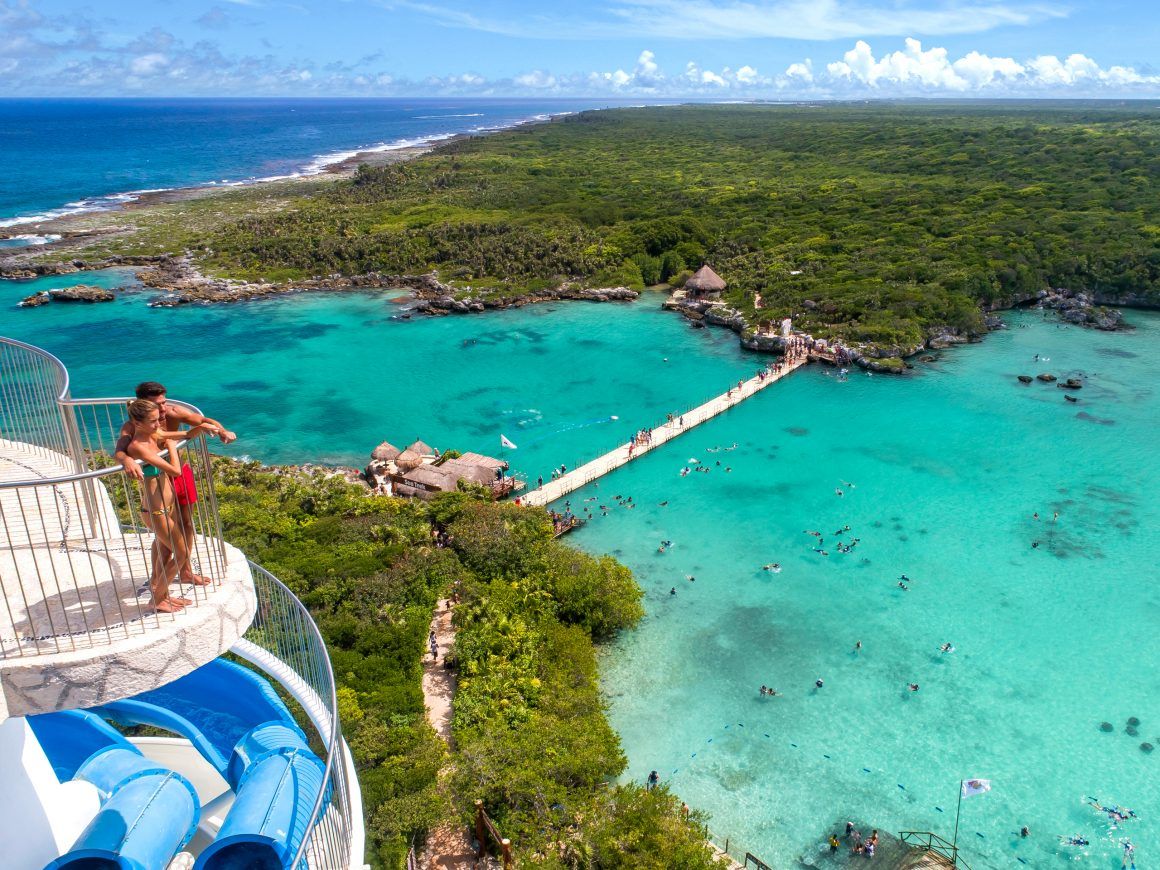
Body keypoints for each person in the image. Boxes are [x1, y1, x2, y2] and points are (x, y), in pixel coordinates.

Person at [124, 399, 217, 613]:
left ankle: (163, 595)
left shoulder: (153, 436)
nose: (159, 425)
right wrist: (172, 448)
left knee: (177, 551)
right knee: (182, 553)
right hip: (156, 512)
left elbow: (184, 435)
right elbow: (175, 470)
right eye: (154, 421)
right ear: (138, 423)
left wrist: (202, 428)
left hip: (167, 508)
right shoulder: (138, 447)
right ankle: (157, 599)